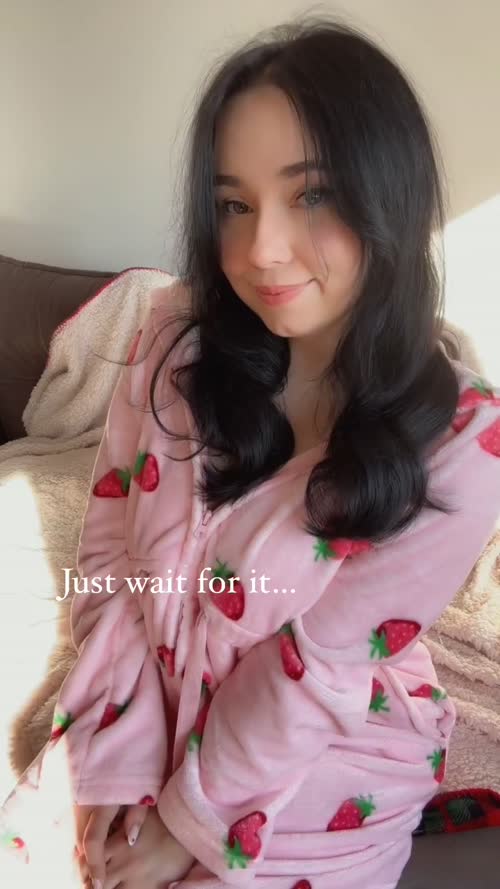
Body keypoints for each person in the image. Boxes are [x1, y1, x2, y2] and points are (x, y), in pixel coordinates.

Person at [2, 13, 500, 889]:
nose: (261, 250)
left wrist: (186, 823)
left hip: (321, 755)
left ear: (391, 196)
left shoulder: (464, 441)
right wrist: (120, 747)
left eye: (313, 195)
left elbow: (321, 665)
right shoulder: (174, 341)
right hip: (147, 694)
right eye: (234, 204)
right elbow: (112, 553)